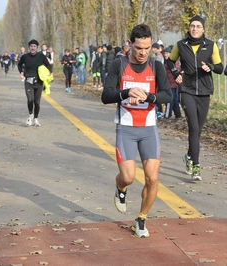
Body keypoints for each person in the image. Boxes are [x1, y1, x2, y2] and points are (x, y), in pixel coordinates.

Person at [101, 24, 172, 238]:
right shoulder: (119, 64)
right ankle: (120, 188)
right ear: (130, 44)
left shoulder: (156, 66)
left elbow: (168, 95)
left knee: (152, 179)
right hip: (126, 128)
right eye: (139, 48)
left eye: (147, 48)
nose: (143, 53)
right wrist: (125, 93)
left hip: (149, 129)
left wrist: (150, 97)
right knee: (129, 177)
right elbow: (106, 96)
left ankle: (141, 219)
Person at [169, 15, 223, 181]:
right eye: (192, 26)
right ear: (189, 28)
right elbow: (170, 61)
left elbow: (220, 68)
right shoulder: (181, 45)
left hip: (204, 92)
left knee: (197, 130)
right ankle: (197, 166)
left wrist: (211, 67)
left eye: (198, 26)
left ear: (203, 29)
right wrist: (176, 74)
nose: (195, 29)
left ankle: (189, 156)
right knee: (193, 126)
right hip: (186, 90)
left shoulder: (211, 45)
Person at [18, 39, 52, 127]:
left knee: (37, 102)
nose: (33, 48)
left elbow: (48, 65)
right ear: (29, 47)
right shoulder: (25, 57)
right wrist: (21, 72)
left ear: (37, 47)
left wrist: (50, 72)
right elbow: (20, 64)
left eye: (34, 46)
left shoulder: (41, 56)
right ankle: (30, 116)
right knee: (30, 99)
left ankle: (36, 119)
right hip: (28, 81)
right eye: (31, 46)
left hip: (39, 82)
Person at [163, 47, 181, 119]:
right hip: (174, 84)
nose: (165, 55)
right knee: (175, 100)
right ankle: (178, 114)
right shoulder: (173, 62)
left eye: (167, 53)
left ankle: (168, 115)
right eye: (164, 53)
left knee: (169, 100)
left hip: (171, 84)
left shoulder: (171, 62)